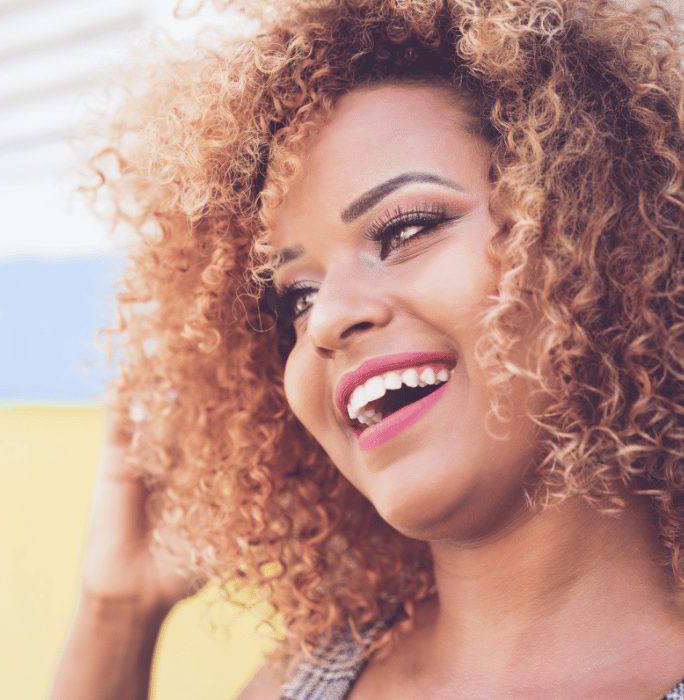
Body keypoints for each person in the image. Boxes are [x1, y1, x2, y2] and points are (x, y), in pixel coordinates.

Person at [50, 0, 684, 697]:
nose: (325, 321)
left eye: (406, 230)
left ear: (599, 234)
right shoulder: (308, 680)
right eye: (296, 296)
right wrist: (116, 613)